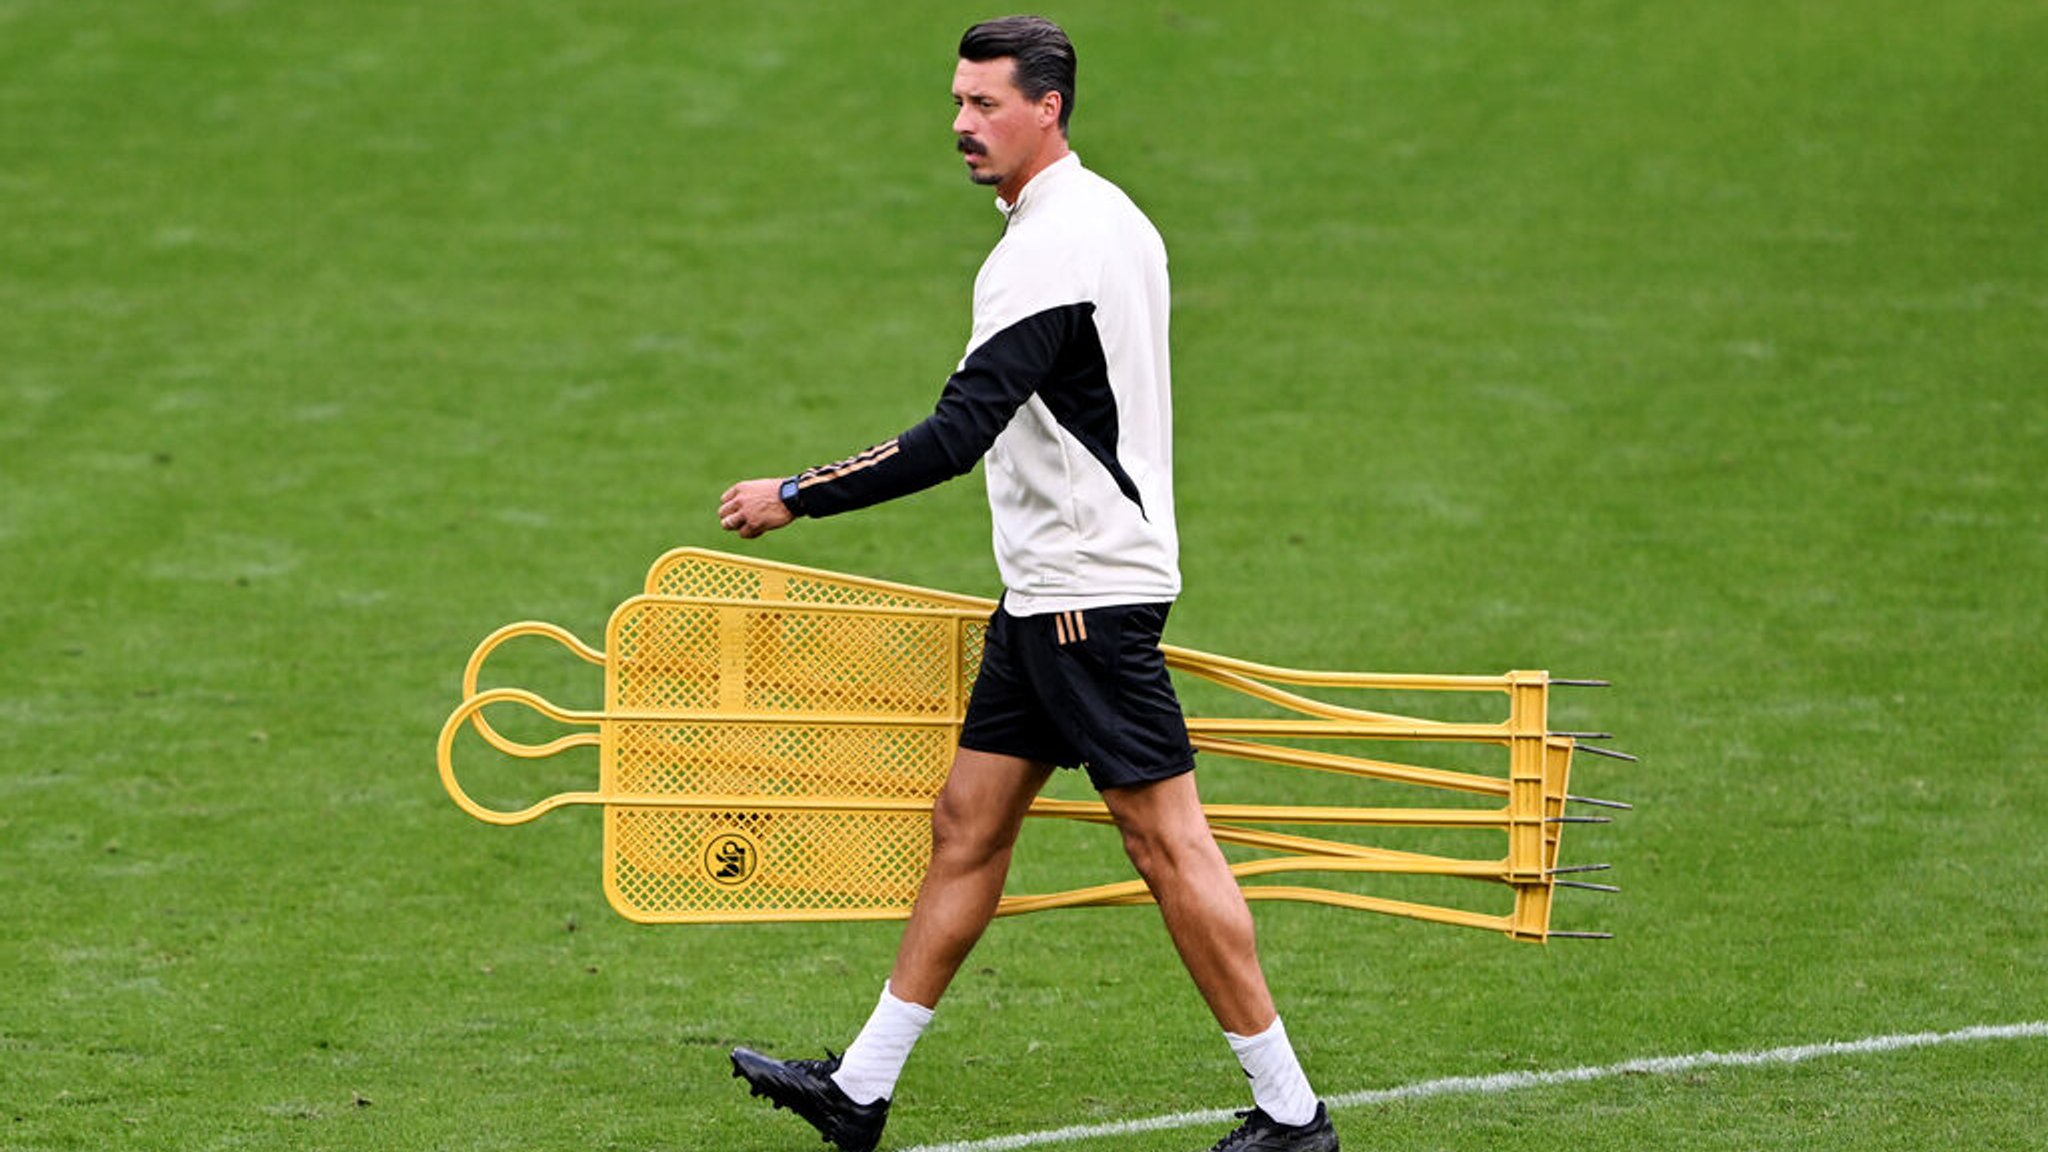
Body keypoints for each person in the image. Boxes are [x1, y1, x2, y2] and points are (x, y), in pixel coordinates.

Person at [717, 16, 1338, 1152]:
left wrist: (797, 494)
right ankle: (859, 1088)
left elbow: (956, 436)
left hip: (1081, 602)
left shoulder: (1047, 250)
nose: (960, 125)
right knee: (966, 825)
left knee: (1167, 846)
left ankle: (1291, 1114)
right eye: (955, 103)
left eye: (982, 104)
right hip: (1050, 593)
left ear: (1045, 106)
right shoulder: (1107, 218)